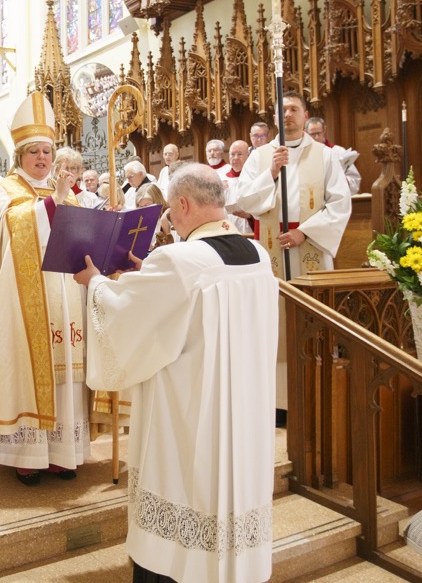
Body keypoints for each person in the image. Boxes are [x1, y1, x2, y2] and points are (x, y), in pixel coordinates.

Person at [75, 163, 278, 583]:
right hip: (243, 413)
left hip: (189, 414)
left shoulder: (180, 259)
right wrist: (147, 273)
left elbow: (125, 315)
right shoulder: (257, 253)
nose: (169, 219)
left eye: (170, 210)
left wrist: (94, 283)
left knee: (184, 494)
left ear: (183, 204)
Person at [0, 91, 89, 486]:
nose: (42, 159)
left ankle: (62, 452)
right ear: (19, 157)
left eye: (47, 151)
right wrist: (53, 204)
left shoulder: (66, 193)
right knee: (25, 371)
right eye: (33, 152)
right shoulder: (4, 191)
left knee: (66, 374)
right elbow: (16, 229)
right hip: (20, 303)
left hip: (64, 299)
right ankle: (25, 454)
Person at [235, 92, 352, 279]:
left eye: (293, 109)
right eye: (282, 110)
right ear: (275, 119)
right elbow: (244, 200)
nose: (287, 114)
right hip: (271, 242)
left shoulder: (325, 155)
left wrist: (304, 232)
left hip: (312, 241)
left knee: (312, 304)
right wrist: (271, 172)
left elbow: (340, 203)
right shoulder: (259, 156)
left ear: (305, 116)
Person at [306, 116, 362, 194]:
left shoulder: (338, 151)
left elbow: (355, 180)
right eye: (312, 134)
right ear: (306, 133)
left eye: (319, 133)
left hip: (336, 196)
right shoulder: (304, 154)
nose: (316, 137)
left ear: (324, 130)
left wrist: (341, 180)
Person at [222, 139, 255, 237]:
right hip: (227, 232)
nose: (235, 158)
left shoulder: (255, 178)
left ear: (248, 155)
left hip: (249, 231)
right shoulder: (221, 179)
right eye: (232, 154)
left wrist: (251, 216)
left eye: (239, 154)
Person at [134, 183, 174, 249]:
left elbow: (171, 247)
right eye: (141, 207)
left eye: (147, 206)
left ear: (158, 202)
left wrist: (150, 247)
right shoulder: (140, 220)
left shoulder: (167, 217)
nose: (144, 210)